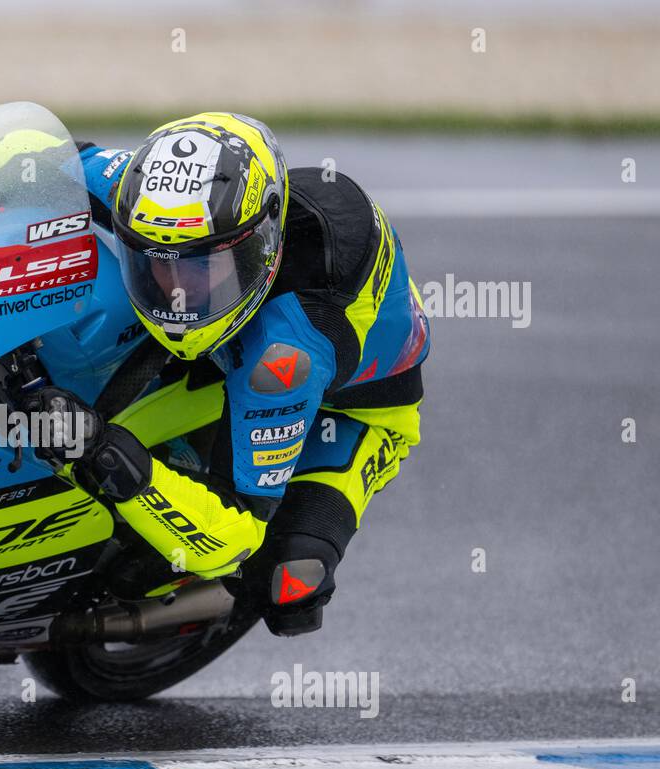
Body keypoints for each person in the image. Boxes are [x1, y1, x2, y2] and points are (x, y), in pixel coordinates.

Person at [31, 112, 430, 636]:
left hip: (348, 407)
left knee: (286, 577)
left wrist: (103, 454)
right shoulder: (160, 199)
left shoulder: (285, 352)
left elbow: (235, 531)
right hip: (243, 329)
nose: (176, 292)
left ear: (259, 245)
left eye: (200, 269)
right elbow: (46, 161)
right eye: (155, 263)